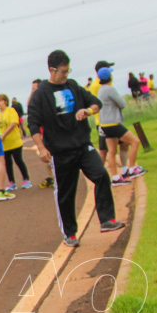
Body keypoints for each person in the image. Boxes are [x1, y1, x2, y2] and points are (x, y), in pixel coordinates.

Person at [28, 50, 126, 247]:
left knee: (101, 175)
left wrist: (87, 111)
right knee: (66, 193)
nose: (65, 75)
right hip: (60, 151)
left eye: (67, 70)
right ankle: (70, 234)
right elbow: (33, 123)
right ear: (51, 69)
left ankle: (107, 219)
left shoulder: (73, 86)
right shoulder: (41, 94)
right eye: (62, 71)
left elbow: (96, 103)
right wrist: (41, 148)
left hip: (82, 146)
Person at [96, 67, 147, 184]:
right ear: (109, 77)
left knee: (112, 151)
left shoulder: (101, 89)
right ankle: (132, 168)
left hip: (105, 124)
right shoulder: (109, 89)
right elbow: (122, 103)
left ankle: (115, 177)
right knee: (135, 142)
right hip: (113, 122)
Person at [0, 94, 31, 190]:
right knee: (7, 164)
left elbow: (13, 123)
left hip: (15, 142)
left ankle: (26, 179)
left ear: (5, 101)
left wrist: (4, 134)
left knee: (18, 160)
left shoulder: (11, 111)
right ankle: (11, 182)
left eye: (0, 100)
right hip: (4, 144)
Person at [29, 79, 54, 189]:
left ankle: (54, 177)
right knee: (46, 156)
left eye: (35, 88)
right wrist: (32, 92)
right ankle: (50, 178)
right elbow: (29, 106)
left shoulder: (46, 98)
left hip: (49, 131)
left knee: (52, 156)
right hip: (41, 132)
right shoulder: (35, 100)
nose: (34, 91)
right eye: (32, 88)